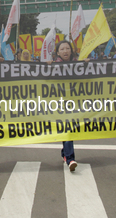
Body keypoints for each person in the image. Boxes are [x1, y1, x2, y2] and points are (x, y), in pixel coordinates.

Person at [51, 40, 80, 172]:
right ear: (57, 52)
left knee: (69, 128)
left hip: (74, 101)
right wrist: (46, 66)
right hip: (59, 103)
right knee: (67, 128)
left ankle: (66, 153)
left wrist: (86, 64)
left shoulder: (77, 64)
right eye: (62, 49)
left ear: (71, 50)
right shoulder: (53, 66)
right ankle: (70, 158)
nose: (65, 51)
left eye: (67, 48)